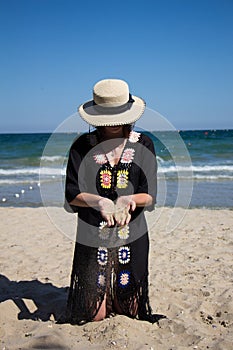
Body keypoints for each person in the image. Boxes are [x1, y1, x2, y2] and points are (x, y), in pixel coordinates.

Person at [65, 78, 162, 325]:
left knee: (129, 309)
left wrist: (128, 198)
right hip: (92, 230)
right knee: (94, 315)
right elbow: (72, 194)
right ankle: (101, 296)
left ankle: (117, 295)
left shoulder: (144, 144)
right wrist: (99, 202)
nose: (114, 124)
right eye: (107, 119)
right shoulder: (81, 146)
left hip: (132, 231)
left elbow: (150, 194)